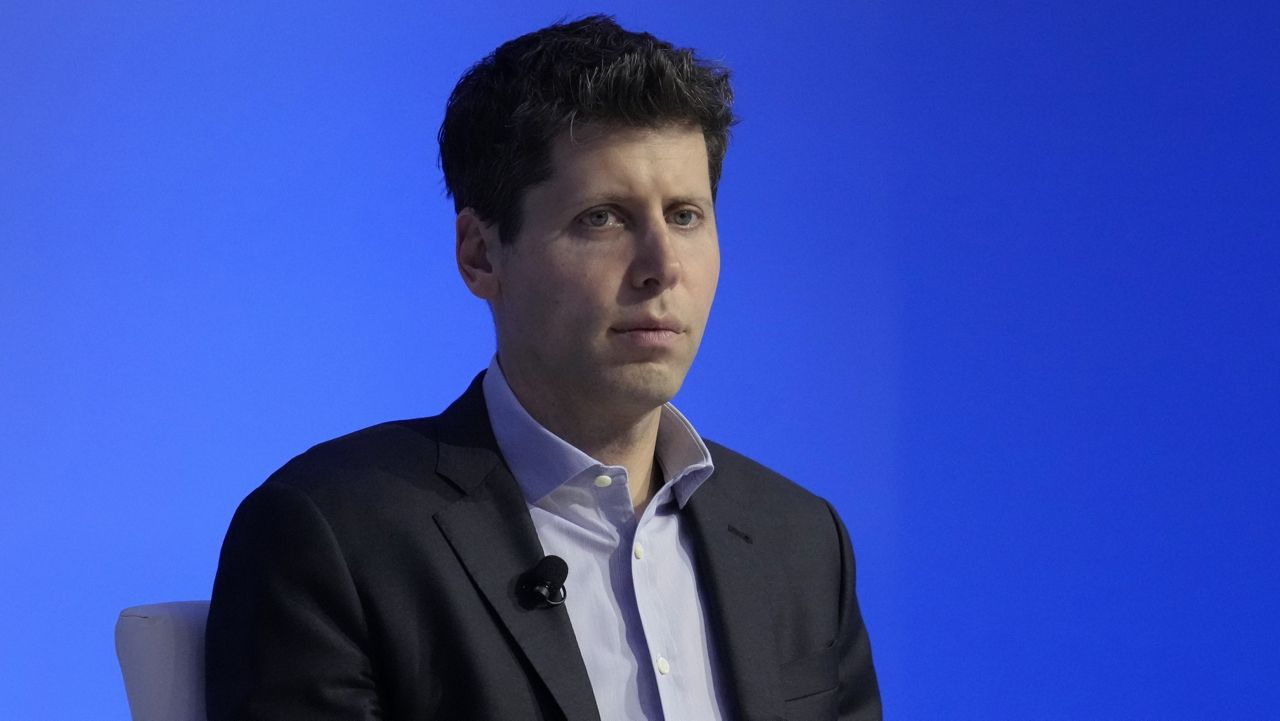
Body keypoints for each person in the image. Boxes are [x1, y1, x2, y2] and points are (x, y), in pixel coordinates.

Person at [205, 15, 880, 721]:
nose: (663, 268)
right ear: (480, 254)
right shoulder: (332, 534)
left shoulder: (801, 540)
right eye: (603, 218)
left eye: (685, 215)